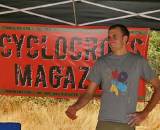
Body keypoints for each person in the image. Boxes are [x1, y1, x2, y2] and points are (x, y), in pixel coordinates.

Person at [65, 24, 160, 130]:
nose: (110, 40)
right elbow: (88, 93)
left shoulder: (138, 61)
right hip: (104, 123)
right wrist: (75, 107)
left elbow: (158, 87)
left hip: (127, 123)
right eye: (109, 37)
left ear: (125, 39)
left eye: (115, 36)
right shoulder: (102, 62)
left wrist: (145, 113)